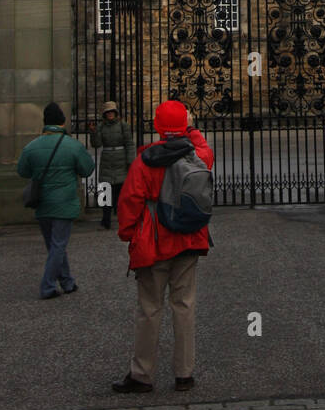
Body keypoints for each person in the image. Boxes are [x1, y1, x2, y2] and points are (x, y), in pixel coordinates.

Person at [114, 100, 214, 394]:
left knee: (149, 308)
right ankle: (184, 373)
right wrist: (190, 128)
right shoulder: (198, 156)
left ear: (157, 127)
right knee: (184, 306)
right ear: (185, 124)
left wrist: (128, 234)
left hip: (155, 243)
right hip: (188, 240)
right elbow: (204, 146)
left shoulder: (145, 160)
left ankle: (142, 374)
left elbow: (129, 202)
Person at [16, 102, 94, 300]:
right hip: (64, 202)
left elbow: (22, 171)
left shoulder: (32, 146)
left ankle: (67, 281)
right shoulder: (72, 145)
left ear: (45, 122)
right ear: (62, 121)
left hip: (42, 203)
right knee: (58, 245)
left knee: (55, 245)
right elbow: (87, 169)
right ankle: (47, 286)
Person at [88, 100, 135, 229]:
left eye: (111, 112)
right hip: (107, 160)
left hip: (120, 160)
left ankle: (123, 218)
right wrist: (93, 132)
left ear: (115, 112)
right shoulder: (101, 127)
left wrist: (130, 160)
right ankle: (105, 219)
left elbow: (129, 143)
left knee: (120, 191)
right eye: (107, 112)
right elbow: (96, 144)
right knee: (105, 189)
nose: (110, 114)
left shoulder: (123, 126)